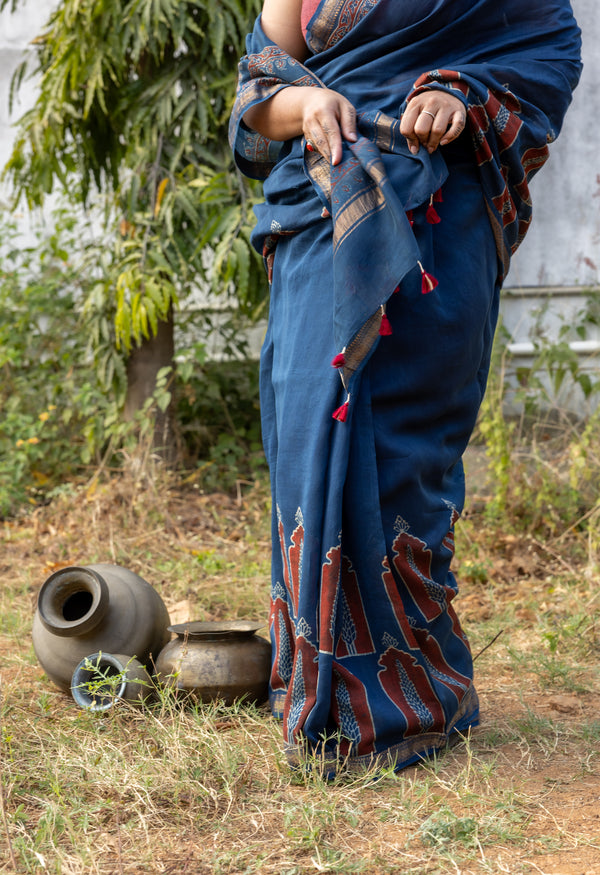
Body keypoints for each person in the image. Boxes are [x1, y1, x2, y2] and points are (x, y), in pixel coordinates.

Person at [229, 0, 581, 775]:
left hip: (436, 229)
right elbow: (256, 91)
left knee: (403, 458)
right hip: (319, 222)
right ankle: (316, 686)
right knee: (305, 448)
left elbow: (549, 52)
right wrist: (308, 102)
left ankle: (414, 695)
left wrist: (460, 95)